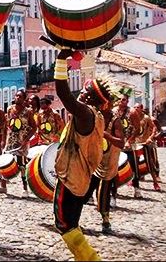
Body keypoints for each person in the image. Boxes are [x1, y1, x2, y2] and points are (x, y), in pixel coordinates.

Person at [53, 49, 111, 261]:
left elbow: (63, 93)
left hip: (71, 179)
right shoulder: (97, 117)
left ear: (89, 98)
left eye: (85, 93)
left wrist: (61, 60)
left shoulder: (85, 114)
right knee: (72, 223)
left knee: (64, 225)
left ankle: (90, 259)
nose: (81, 94)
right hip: (81, 179)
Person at [83, 97, 124, 234]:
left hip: (108, 164)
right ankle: (72, 219)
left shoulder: (116, 121)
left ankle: (105, 221)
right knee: (83, 191)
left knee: (103, 193)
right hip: (94, 161)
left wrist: (106, 135)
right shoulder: (96, 118)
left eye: (101, 103)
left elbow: (121, 143)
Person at [0, 89, 37, 196]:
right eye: (16, 96)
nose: (17, 98)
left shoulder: (28, 112)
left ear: (24, 99)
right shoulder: (10, 109)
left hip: (21, 142)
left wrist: (27, 139)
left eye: (20, 96)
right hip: (11, 140)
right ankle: (3, 186)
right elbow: (6, 125)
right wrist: (3, 139)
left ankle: (25, 189)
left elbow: (33, 127)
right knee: (5, 163)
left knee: (22, 165)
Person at [130, 103, 162, 191]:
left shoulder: (146, 118)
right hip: (135, 144)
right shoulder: (132, 117)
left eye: (138, 107)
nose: (136, 109)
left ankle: (155, 182)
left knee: (149, 163)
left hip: (144, 143)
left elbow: (154, 128)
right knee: (134, 163)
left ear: (141, 109)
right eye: (135, 107)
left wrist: (150, 138)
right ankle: (133, 180)